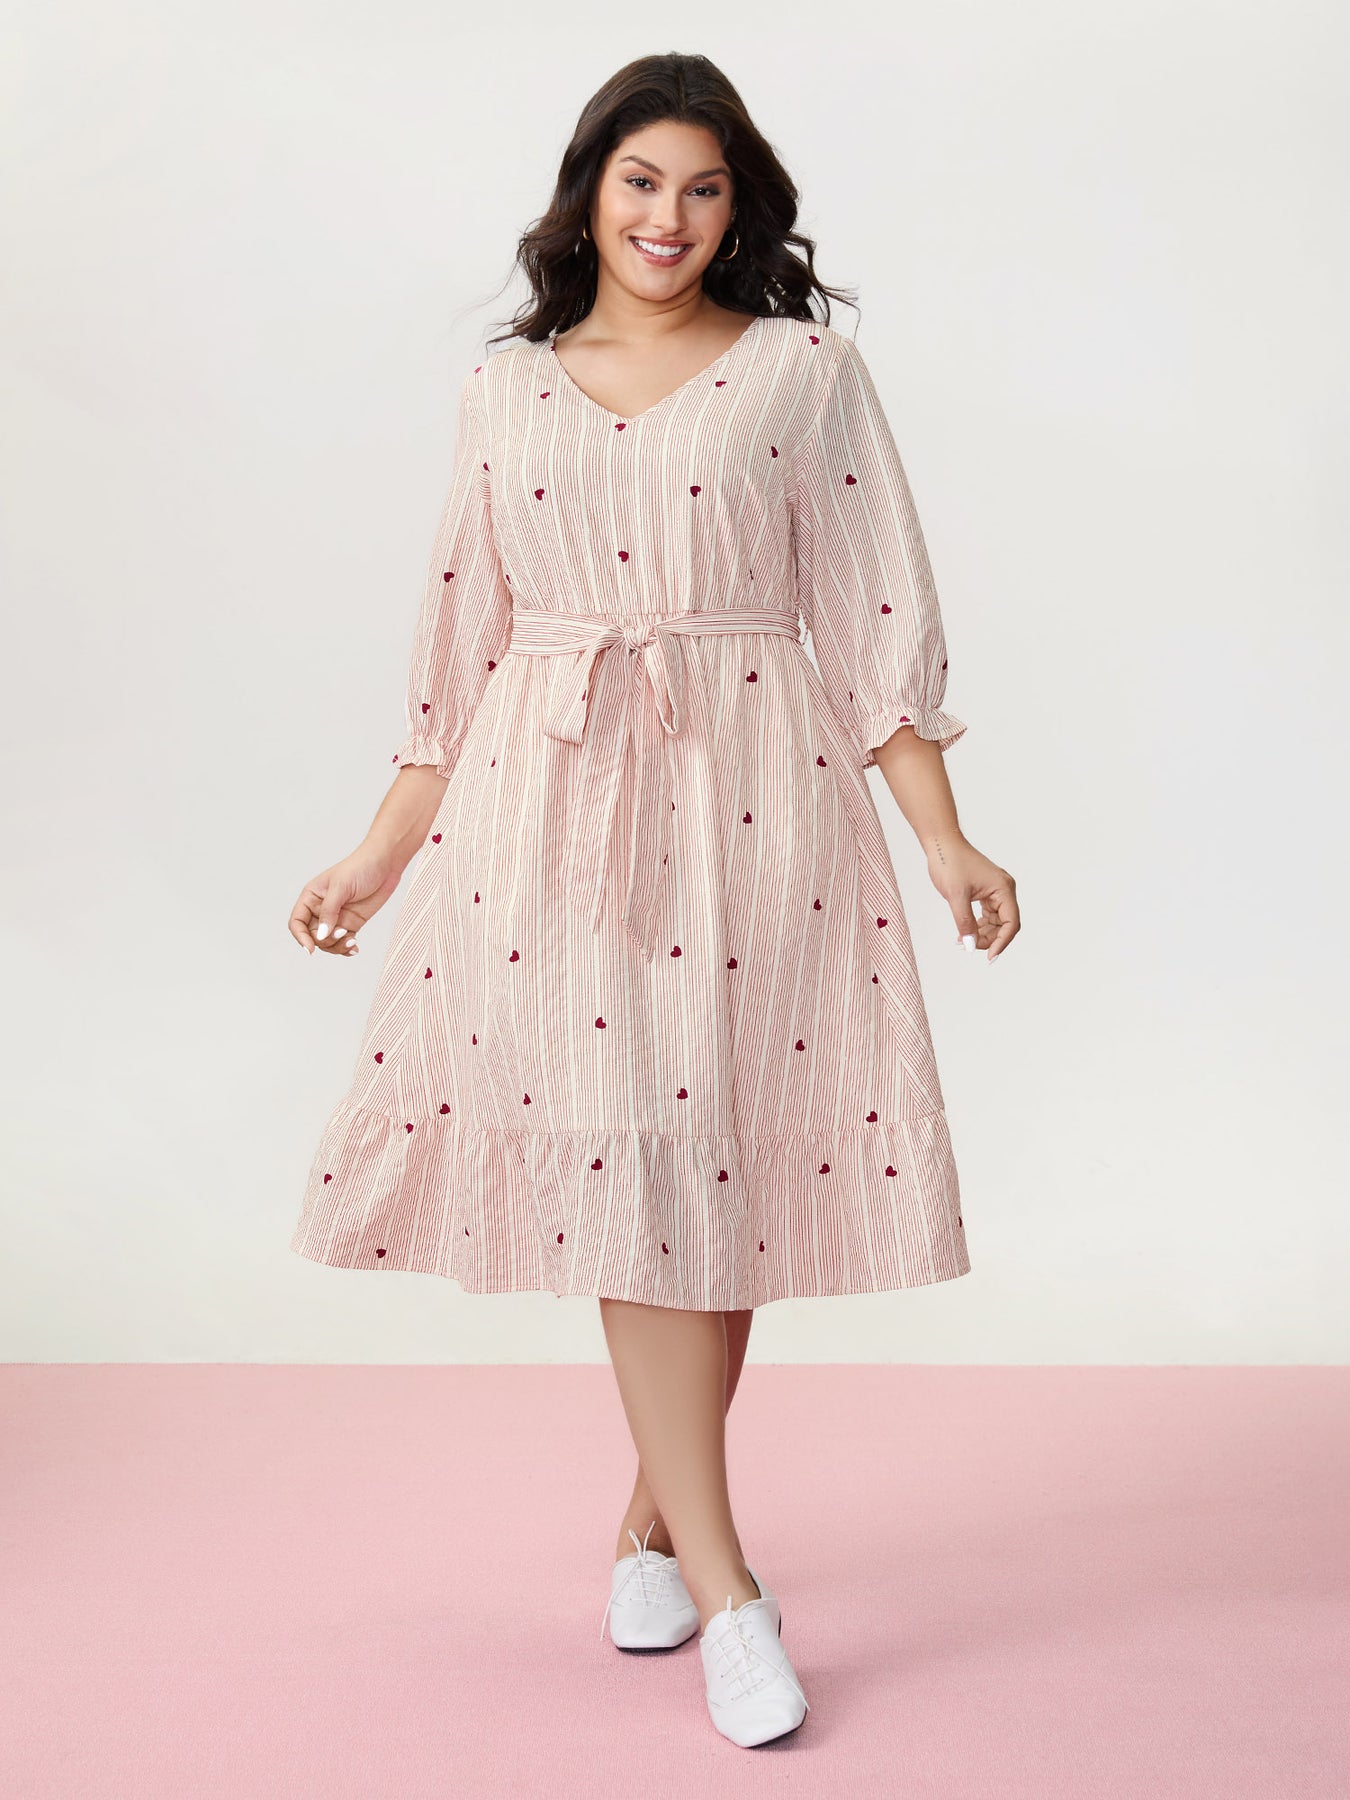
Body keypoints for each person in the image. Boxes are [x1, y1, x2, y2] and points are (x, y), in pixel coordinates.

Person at [286, 51, 1019, 1750]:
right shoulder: (507, 392)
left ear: (737, 205)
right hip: (547, 812)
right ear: (588, 193)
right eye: (639, 182)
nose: (668, 217)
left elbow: (874, 621)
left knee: (711, 1164)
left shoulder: (803, 374)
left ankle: (647, 1531)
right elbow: (457, 644)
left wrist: (947, 840)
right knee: (633, 1158)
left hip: (756, 800)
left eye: (701, 187)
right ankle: (730, 1588)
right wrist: (376, 855)